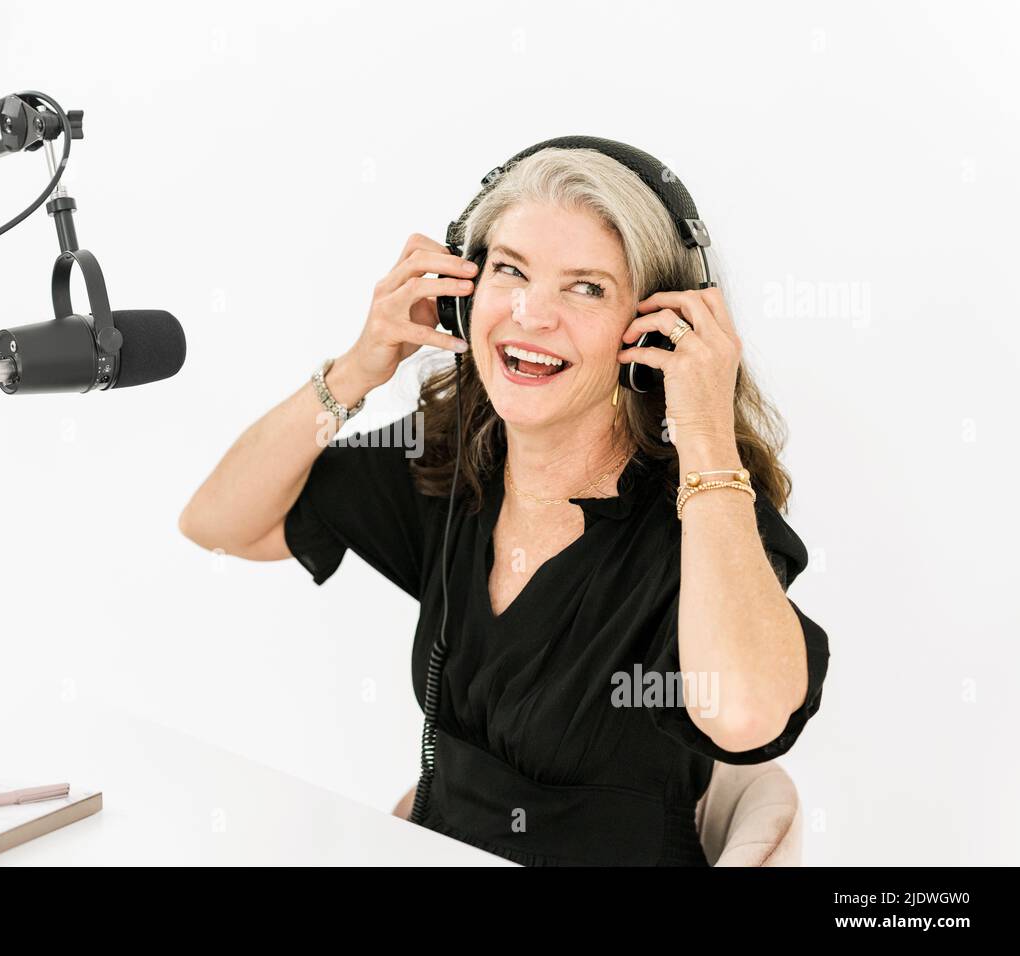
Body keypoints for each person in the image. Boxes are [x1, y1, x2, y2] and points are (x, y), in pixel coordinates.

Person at [178, 146, 830, 866]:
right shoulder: (451, 462)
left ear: (653, 331)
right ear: (464, 292)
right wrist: (359, 366)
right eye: (511, 271)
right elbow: (218, 525)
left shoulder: (703, 517)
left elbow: (744, 718)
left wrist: (704, 432)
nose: (531, 314)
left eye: (586, 289)